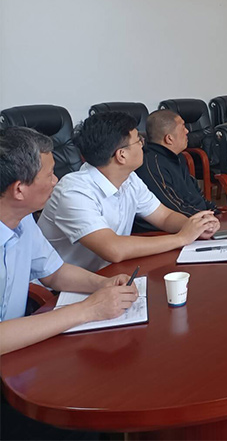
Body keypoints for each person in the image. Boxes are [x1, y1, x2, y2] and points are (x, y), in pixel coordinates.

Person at [1, 127, 140, 441]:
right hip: (8, 373)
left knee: (104, 390)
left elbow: (54, 272)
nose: (56, 181)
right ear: (19, 189)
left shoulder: (22, 219)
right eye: (50, 175)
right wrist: (88, 310)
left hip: (18, 356)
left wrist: (103, 284)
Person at [38, 112, 220, 272]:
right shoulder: (74, 192)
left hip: (110, 274)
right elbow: (113, 249)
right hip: (61, 290)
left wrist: (195, 226)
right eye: (138, 140)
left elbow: (164, 217)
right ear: (121, 155)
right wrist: (181, 238)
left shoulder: (130, 179)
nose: (143, 145)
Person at [134, 110, 216, 231]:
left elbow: (195, 194)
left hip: (198, 222)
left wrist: (213, 211)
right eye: (183, 127)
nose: (187, 131)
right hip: (168, 231)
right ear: (169, 138)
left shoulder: (178, 157)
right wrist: (206, 218)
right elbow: (174, 208)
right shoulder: (152, 165)